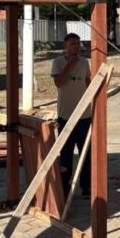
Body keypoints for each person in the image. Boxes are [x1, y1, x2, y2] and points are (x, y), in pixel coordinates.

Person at [51, 33, 93, 199]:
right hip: (66, 115)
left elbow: (88, 81)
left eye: (78, 43)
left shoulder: (84, 62)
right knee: (66, 154)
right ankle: (65, 188)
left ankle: (87, 187)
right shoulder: (58, 62)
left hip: (84, 115)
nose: (76, 46)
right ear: (65, 46)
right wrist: (70, 64)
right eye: (73, 43)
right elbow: (59, 83)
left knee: (86, 154)